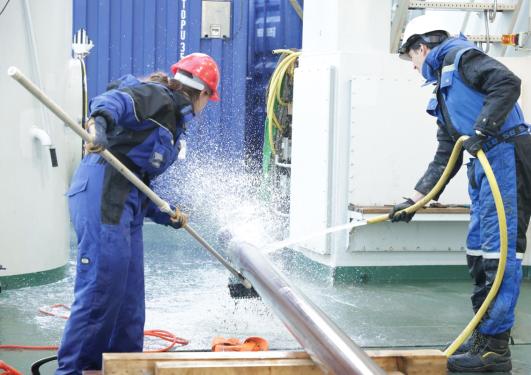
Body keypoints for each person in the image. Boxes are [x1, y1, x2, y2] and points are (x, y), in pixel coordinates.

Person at [56, 53, 220, 374]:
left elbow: (138, 181)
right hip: (103, 191)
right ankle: (74, 370)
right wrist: (98, 126)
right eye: (208, 99)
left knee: (129, 300)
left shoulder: (173, 121)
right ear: (201, 93)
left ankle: (122, 367)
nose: (206, 106)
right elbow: (113, 101)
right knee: (103, 290)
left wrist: (164, 212)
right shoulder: (157, 97)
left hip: (127, 200)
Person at [391, 14, 531, 373]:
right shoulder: (444, 87)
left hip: (505, 157)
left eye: (412, 58)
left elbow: (507, 82)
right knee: (478, 253)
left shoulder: (462, 58)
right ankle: (484, 335)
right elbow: (446, 153)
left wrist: (483, 130)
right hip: (483, 164)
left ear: (421, 46)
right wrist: (415, 200)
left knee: (499, 257)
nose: (414, 67)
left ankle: (494, 352)